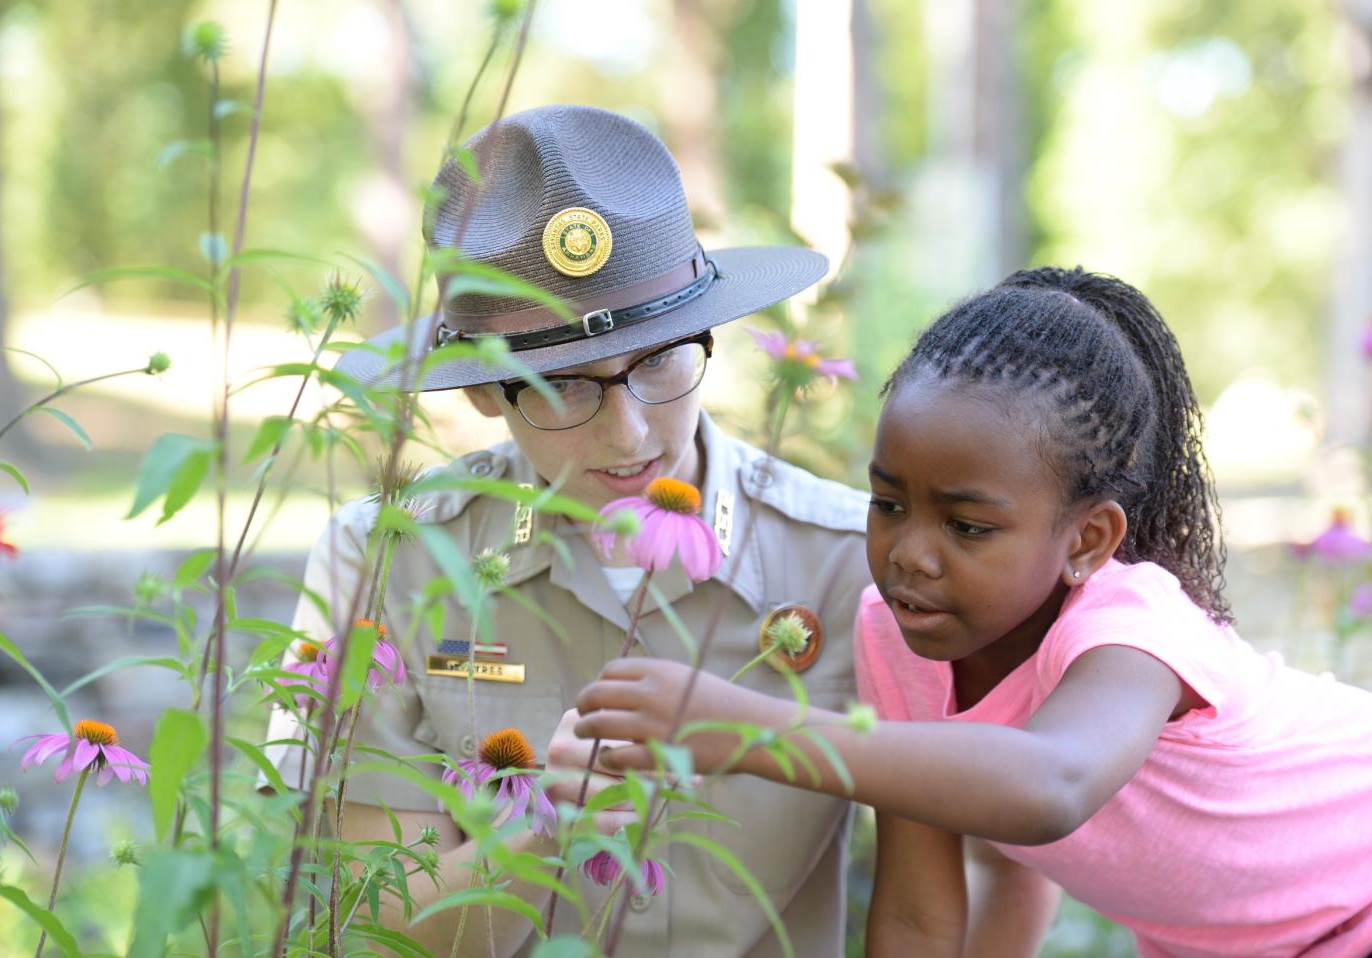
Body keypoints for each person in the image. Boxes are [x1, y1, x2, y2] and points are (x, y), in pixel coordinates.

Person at [574, 267, 1372, 957]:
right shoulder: (898, 639)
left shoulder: (1130, 627)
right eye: (888, 502)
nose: (910, 554)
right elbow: (924, 914)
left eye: (967, 526)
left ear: (1087, 539)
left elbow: (1049, 784)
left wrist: (747, 731)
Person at [271, 104, 870, 957]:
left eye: (659, 357)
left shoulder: (844, 559)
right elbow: (366, 931)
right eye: (561, 386)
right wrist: (543, 827)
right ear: (482, 391)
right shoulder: (384, 563)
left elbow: (972, 867)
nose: (628, 435)